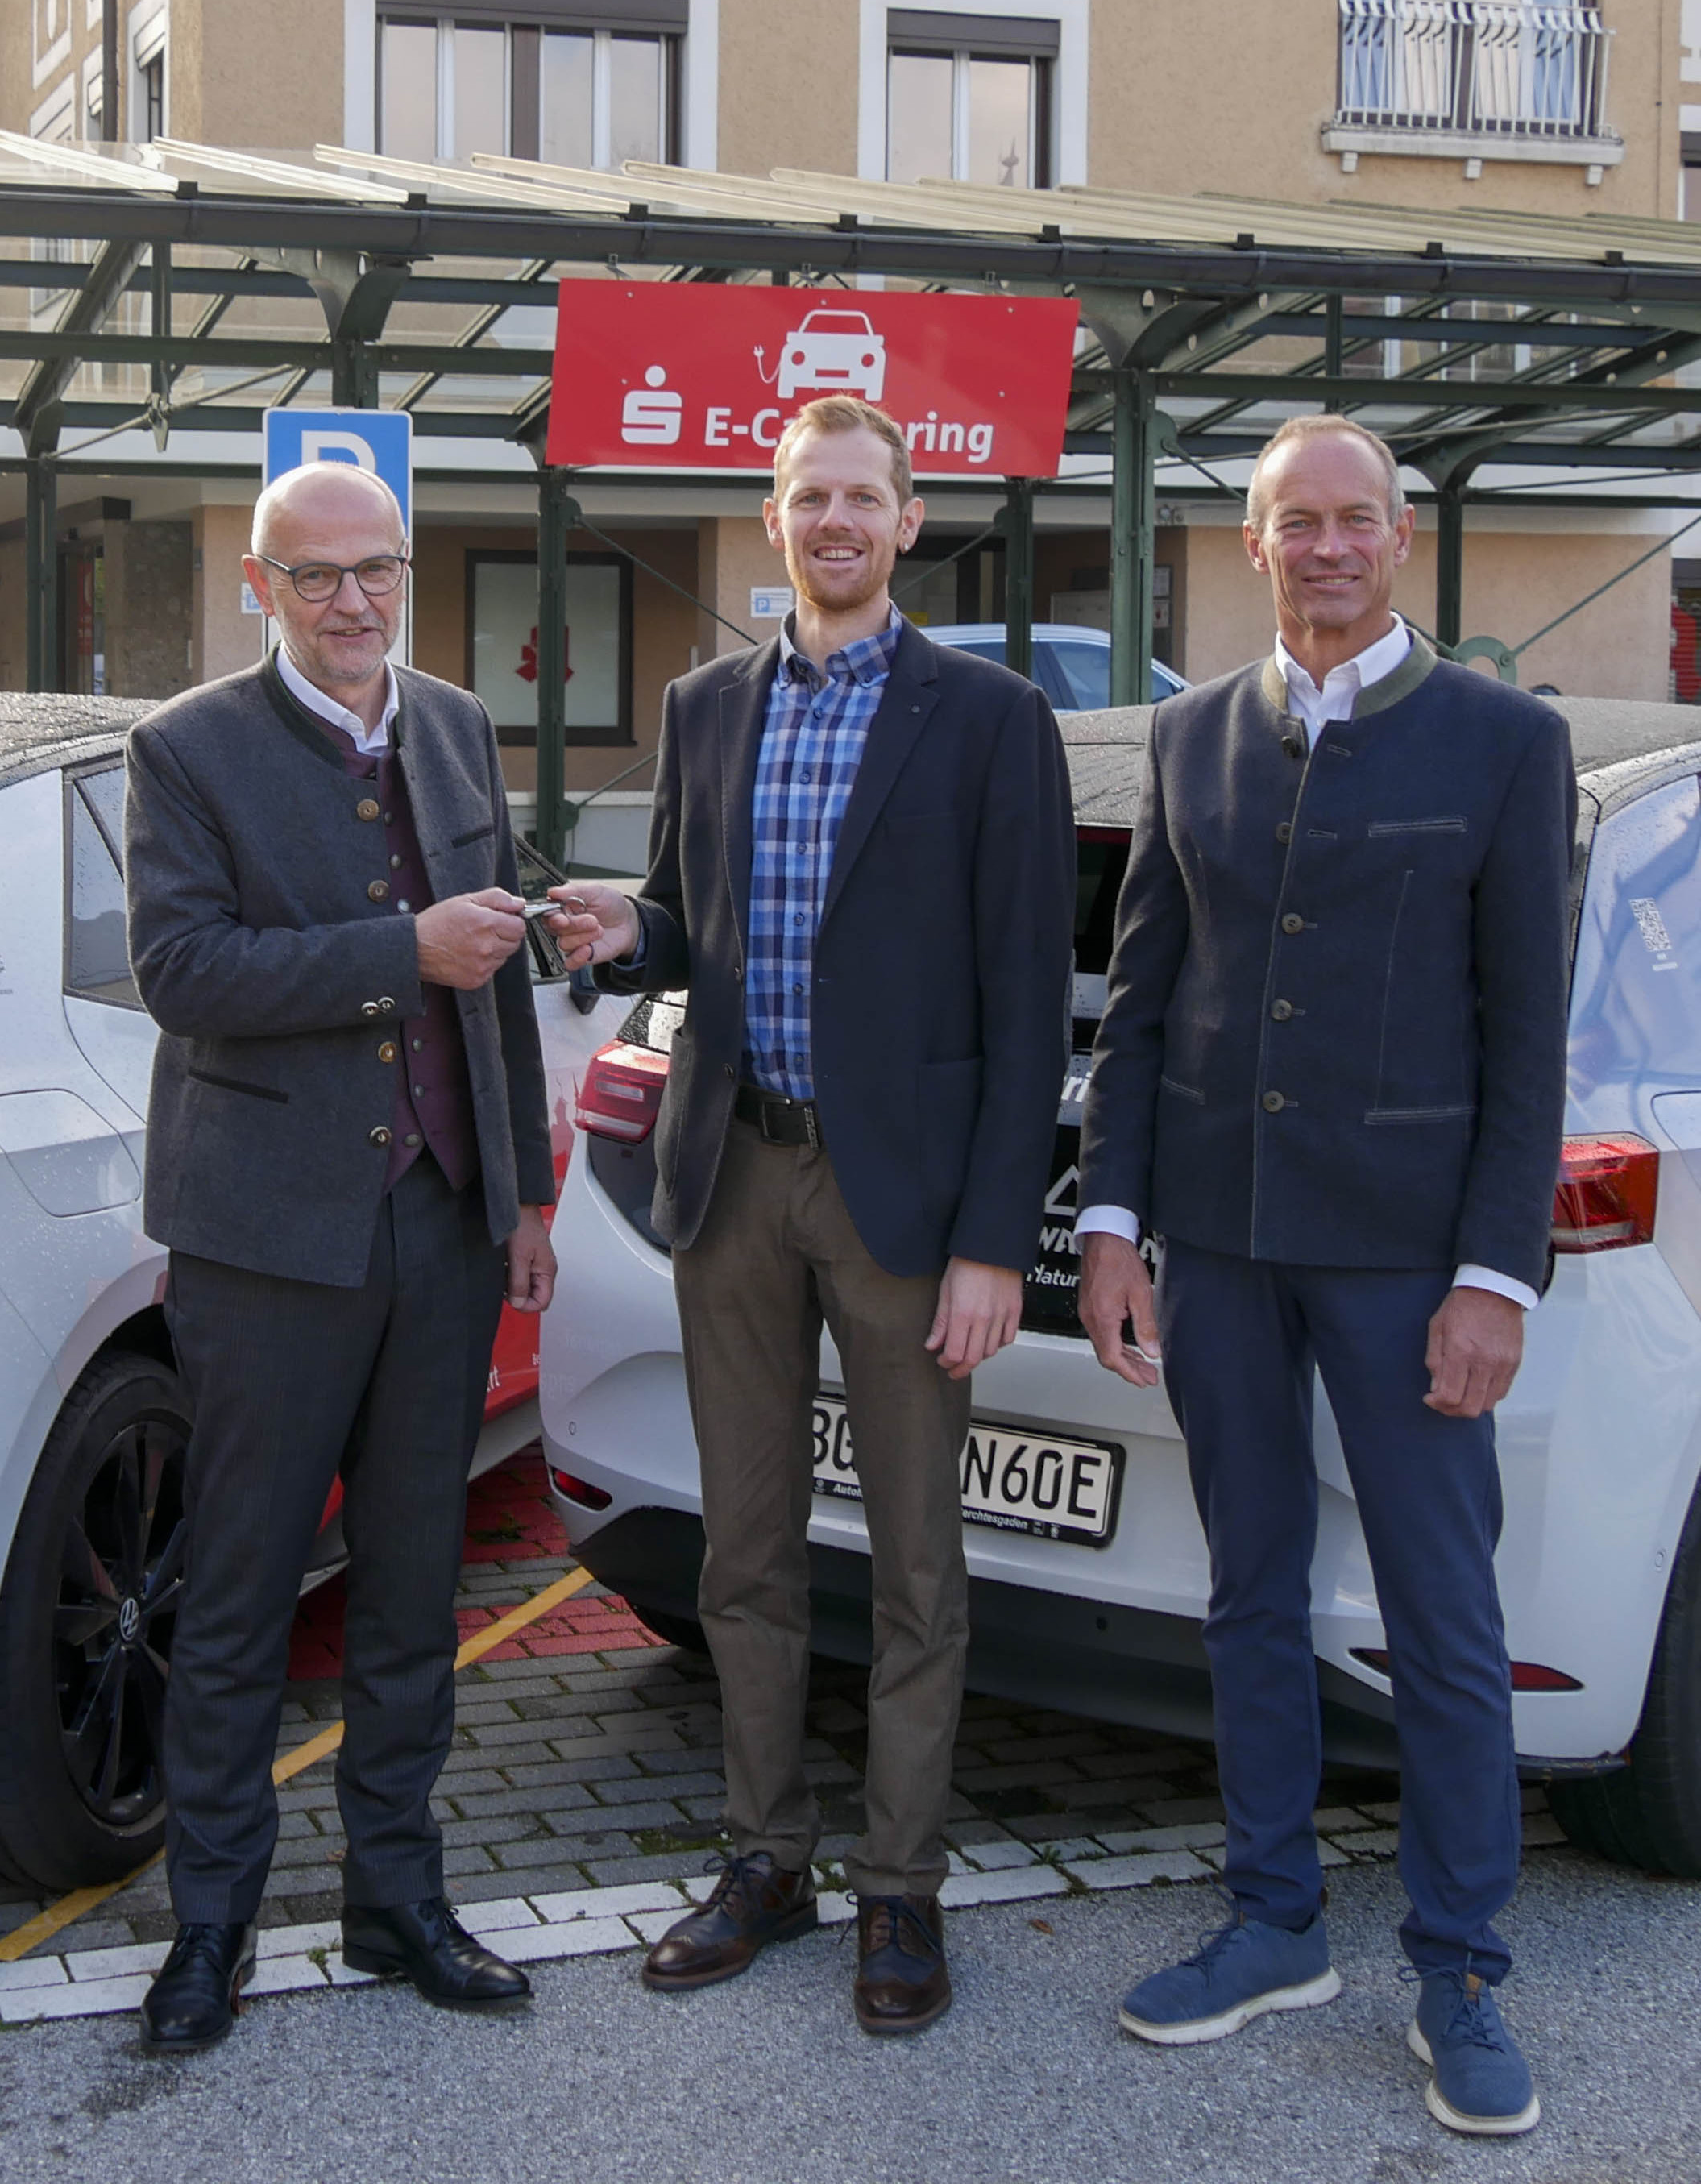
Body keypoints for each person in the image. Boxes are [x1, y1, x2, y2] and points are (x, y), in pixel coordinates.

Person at [1073, 414, 1571, 2138]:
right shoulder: (1193, 733)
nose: (1330, 547)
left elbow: (1530, 1040)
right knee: (1248, 1590)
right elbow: (1140, 1005)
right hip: (1218, 1240)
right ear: (1255, 541)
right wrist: (1114, 1223)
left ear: (1402, 543)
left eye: (1358, 520)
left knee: (1446, 1616)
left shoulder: (1507, 742)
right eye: (1299, 521)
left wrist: (1497, 1271)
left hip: (1408, 1255)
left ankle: (1463, 1962)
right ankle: (1273, 1915)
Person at [554, 396, 1072, 2036]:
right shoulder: (705, 705)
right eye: (806, 496)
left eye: (863, 495)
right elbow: (691, 927)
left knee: (919, 1559)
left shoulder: (989, 719)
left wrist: (996, 1237)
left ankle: (899, 1888)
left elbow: (1023, 998)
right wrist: (617, 930)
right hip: (734, 1177)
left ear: (909, 519)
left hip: (904, 1194)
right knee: (747, 1550)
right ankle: (763, 1856)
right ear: (771, 520)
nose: (834, 520)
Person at [121, 460, 562, 2054]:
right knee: (238, 1591)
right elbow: (180, 971)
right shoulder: (183, 747)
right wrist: (402, 950)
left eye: (375, 567)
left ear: (407, 568)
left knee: (410, 1586)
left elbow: (496, 986)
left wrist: (520, 1199)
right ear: (260, 587)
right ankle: (213, 1922)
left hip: (441, 1219)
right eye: (315, 576)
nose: (352, 599)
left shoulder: (449, 721)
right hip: (266, 1240)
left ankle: (398, 1899)